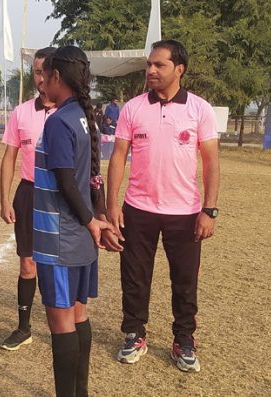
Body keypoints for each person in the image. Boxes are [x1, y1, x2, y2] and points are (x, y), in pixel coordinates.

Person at [106, 39, 220, 373]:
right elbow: (117, 157)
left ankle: (183, 338)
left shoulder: (200, 109)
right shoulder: (133, 108)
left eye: (160, 65)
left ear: (179, 69)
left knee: (184, 280)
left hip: (185, 212)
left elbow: (212, 162)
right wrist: (112, 205)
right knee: (135, 277)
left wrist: (209, 210)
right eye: (149, 65)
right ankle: (133, 333)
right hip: (138, 209)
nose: (151, 71)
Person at [33, 45, 122, 397]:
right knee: (79, 316)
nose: (41, 82)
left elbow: (67, 181)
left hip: (59, 239)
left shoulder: (58, 121)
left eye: (44, 75)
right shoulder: (84, 116)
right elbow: (92, 178)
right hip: (81, 240)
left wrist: (91, 222)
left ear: (57, 77)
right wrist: (98, 218)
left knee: (62, 323)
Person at [0, 46, 56, 351]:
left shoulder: (72, 111)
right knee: (27, 264)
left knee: (61, 264)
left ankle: (64, 324)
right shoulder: (22, 112)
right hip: (30, 193)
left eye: (45, 70)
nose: (40, 77)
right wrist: (5, 199)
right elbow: (9, 156)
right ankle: (23, 328)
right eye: (35, 71)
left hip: (61, 196)